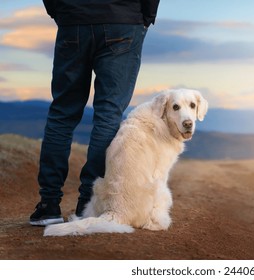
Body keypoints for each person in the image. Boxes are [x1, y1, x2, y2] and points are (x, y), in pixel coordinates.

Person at [30, 0, 160, 226]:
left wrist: (62, 12)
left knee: (62, 113)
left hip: (74, 19)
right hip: (123, 20)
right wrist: (144, 17)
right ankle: (88, 203)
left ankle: (48, 205)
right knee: (108, 115)